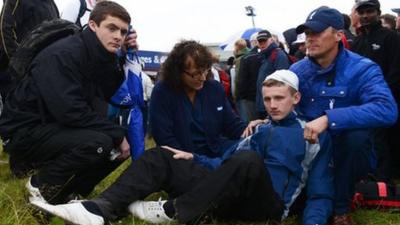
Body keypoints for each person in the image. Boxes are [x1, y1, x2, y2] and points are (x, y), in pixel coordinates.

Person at [30, 69, 334, 225]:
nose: (271, 105)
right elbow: (226, 162)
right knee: (163, 154)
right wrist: (194, 157)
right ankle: (100, 208)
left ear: (295, 98)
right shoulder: (260, 128)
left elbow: (320, 192)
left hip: (266, 206)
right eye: (267, 99)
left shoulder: (313, 134)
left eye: (279, 98)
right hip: (225, 191)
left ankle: (175, 210)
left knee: (249, 161)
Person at [0, 1, 134, 204]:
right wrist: (115, 134)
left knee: (123, 140)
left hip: (53, 126)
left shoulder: (98, 55)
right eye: (112, 28)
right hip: (26, 133)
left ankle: (69, 193)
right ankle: (39, 187)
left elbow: (104, 95)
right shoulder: (64, 53)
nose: (118, 36)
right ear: (93, 25)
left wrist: (120, 57)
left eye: (123, 32)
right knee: (101, 142)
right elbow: (70, 110)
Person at [290, 6, 397, 225]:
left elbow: (386, 109)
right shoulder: (297, 71)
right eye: (307, 33)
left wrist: (329, 118)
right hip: (309, 149)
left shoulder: (362, 68)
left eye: (317, 32)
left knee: (356, 138)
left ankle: (341, 208)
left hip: (345, 152)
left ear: (339, 35)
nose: (310, 38)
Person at [149, 40, 246, 162]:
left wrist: (253, 131)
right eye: (195, 74)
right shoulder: (162, 91)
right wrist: (192, 162)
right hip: (181, 158)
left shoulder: (214, 88)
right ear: (177, 71)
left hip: (216, 152)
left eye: (205, 70)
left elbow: (232, 125)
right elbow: (163, 136)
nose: (203, 78)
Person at [351, 0, 400, 182]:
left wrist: (383, 95)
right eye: (361, 12)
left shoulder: (391, 37)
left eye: (369, 11)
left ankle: (384, 178)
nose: (365, 16)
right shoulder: (358, 41)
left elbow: (396, 69)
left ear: (378, 12)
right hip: (363, 101)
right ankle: (372, 174)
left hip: (388, 99)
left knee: (385, 139)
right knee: (368, 138)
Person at [0, 0, 59, 104]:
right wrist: (19, 64)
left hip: (40, 70)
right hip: (17, 73)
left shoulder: (51, 3)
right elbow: (5, 30)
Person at [255, 29, 290, 118]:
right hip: (265, 104)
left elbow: (283, 83)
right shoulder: (265, 56)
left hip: (273, 106)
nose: (262, 44)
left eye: (264, 41)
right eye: (260, 41)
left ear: (271, 40)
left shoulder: (278, 55)